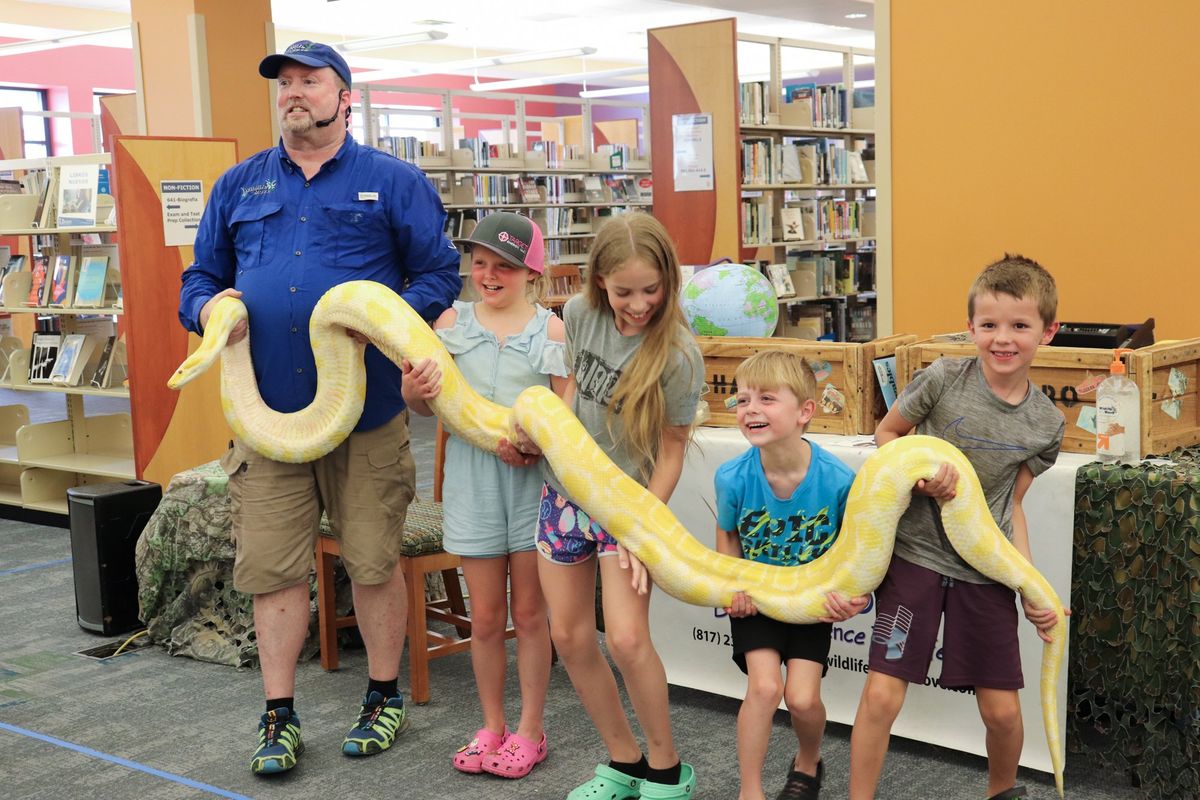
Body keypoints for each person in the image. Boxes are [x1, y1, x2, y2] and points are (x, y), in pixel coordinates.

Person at [177, 40, 462, 776]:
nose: (294, 93)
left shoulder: (392, 181)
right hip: (267, 417)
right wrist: (211, 306)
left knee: (372, 563)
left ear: (344, 96)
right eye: (285, 83)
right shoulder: (237, 186)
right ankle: (278, 715)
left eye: (310, 81)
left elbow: (438, 273)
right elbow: (199, 278)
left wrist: (387, 318)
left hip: (365, 417)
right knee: (271, 569)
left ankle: (382, 694)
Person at [848, 254, 1068, 800]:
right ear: (970, 327)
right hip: (914, 560)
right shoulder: (944, 378)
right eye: (989, 325)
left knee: (1001, 711)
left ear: (1048, 331)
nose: (1003, 339)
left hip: (983, 573)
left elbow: (1011, 506)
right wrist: (920, 479)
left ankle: (1002, 793)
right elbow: (887, 435)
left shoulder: (1047, 423)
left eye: (1020, 326)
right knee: (881, 696)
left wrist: (1031, 586)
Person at [531, 212, 703, 800]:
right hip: (563, 495)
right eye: (624, 290)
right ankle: (623, 762)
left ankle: (665, 769)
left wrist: (642, 526)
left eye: (651, 290)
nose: (638, 304)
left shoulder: (678, 353)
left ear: (669, 282)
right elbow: (571, 391)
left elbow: (674, 448)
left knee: (626, 640)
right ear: (598, 280)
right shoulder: (577, 316)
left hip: (629, 505)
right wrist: (542, 433)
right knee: (571, 637)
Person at [400, 212, 569, 780]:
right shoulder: (450, 320)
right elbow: (428, 406)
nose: (490, 275)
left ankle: (530, 729)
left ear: (531, 271)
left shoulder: (551, 331)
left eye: (505, 265)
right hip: (472, 488)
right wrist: (411, 391)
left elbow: (565, 417)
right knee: (487, 617)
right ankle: (491, 725)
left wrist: (532, 443)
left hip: (532, 491)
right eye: (480, 263)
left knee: (530, 612)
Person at [714, 350, 869, 800]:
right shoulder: (732, 477)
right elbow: (727, 536)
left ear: (805, 411)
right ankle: (750, 791)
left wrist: (852, 597)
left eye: (766, 398)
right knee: (763, 688)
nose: (751, 410)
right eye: (742, 400)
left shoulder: (839, 480)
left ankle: (808, 759)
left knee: (802, 699)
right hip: (757, 598)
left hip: (809, 601)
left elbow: (852, 551)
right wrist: (732, 586)